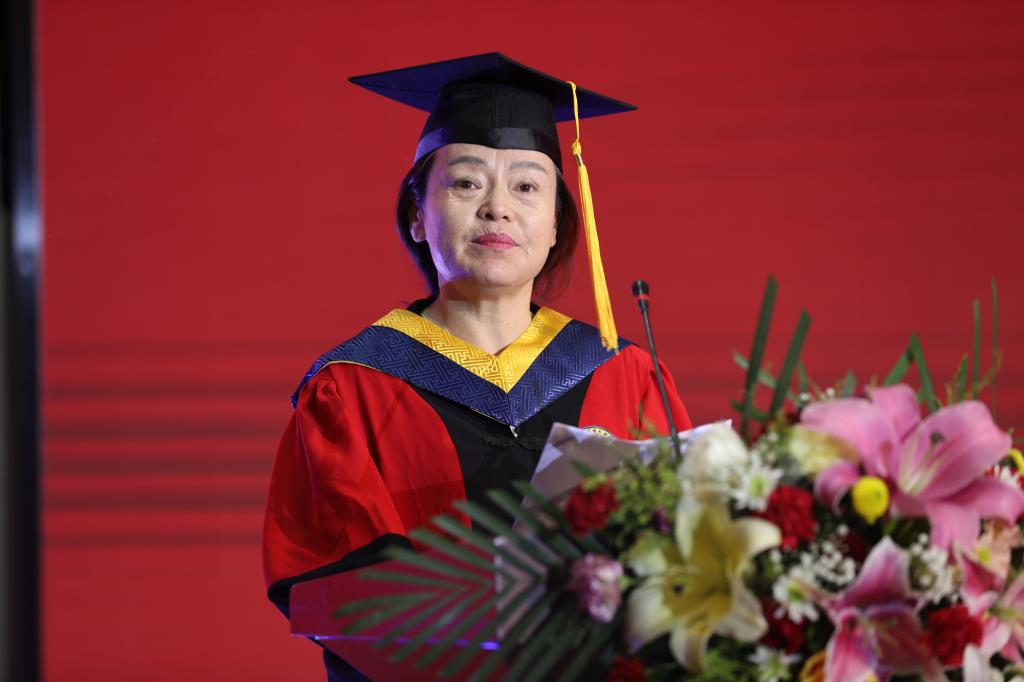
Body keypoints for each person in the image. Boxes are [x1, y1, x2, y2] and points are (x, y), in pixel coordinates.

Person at [261, 53, 692, 681]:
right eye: (466, 183)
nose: (498, 208)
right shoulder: (351, 388)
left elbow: (688, 559)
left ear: (556, 224)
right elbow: (346, 591)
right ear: (417, 215)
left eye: (527, 187)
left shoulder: (624, 373)